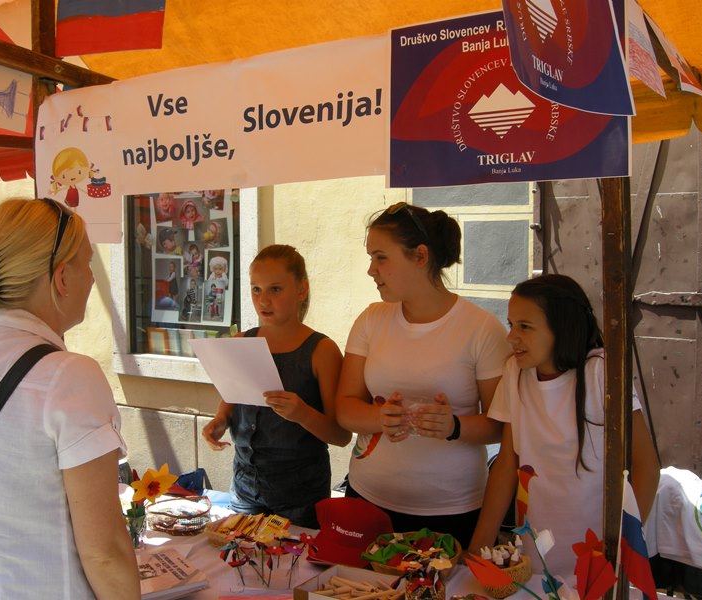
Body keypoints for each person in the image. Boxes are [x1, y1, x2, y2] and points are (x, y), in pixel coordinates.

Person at [0, 198, 140, 599]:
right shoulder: (69, 376)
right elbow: (104, 553)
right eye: (87, 262)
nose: (91, 277)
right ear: (62, 277)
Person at [336, 202, 510, 546]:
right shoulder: (371, 319)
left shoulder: (482, 328)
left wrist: (454, 426)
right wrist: (379, 418)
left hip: (451, 510)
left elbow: (501, 426)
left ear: (420, 256)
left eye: (381, 258)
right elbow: (344, 408)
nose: (371, 270)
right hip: (368, 499)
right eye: (371, 258)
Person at [468, 274, 660, 577]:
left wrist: (621, 548)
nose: (511, 337)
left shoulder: (601, 373)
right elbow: (506, 465)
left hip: (600, 553)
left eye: (525, 326)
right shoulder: (514, 373)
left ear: (562, 327)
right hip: (536, 552)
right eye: (511, 324)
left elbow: (646, 466)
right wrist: (476, 551)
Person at [201, 244, 351, 527]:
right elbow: (229, 404)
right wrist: (219, 422)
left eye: (276, 289)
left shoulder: (322, 351)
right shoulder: (241, 342)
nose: (264, 300)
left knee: (294, 557)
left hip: (301, 494)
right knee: (240, 554)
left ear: (301, 290)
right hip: (244, 486)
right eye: (256, 289)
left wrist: (303, 414)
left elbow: (341, 435)